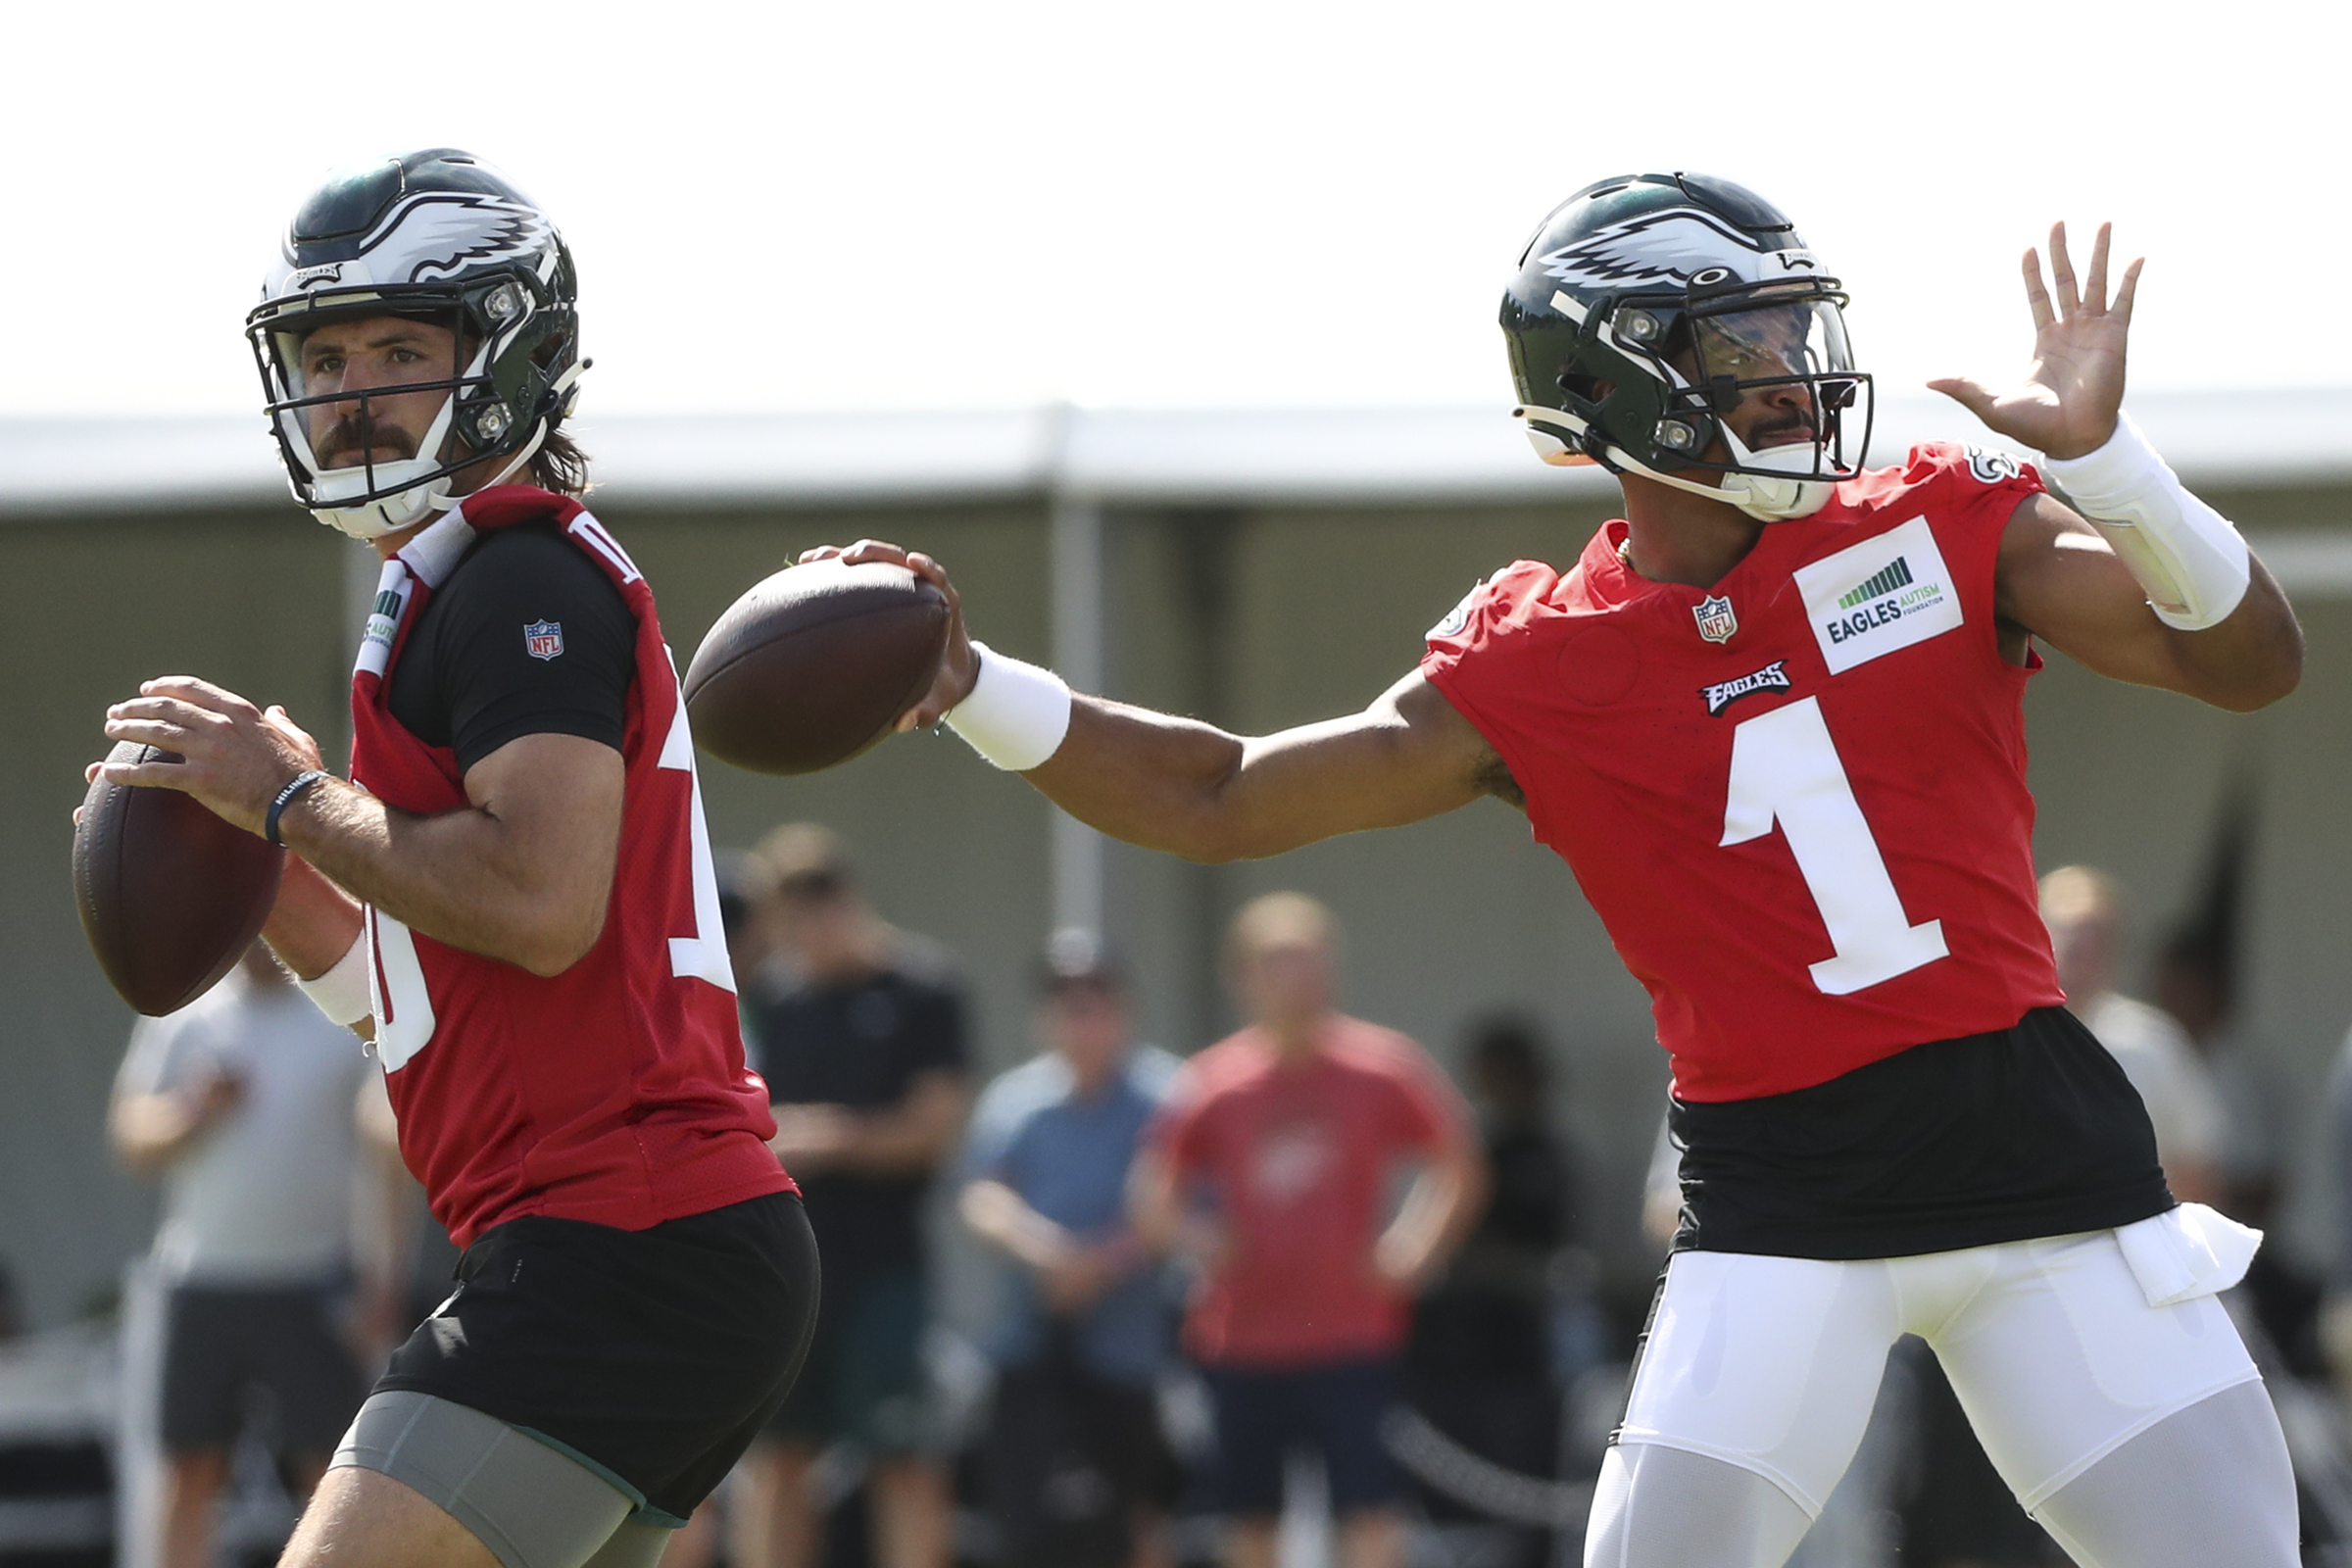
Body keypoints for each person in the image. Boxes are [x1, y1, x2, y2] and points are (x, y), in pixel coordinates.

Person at [810, 172, 2307, 1567]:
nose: (1799, 371)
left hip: (2038, 1159)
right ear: (1617, 385)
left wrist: (2112, 465)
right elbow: (1221, 793)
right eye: (1748, 343)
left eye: (1793, 330)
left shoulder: (1929, 519)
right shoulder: (1541, 660)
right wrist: (973, 679)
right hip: (1783, 1199)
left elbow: (2247, 664)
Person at [89, 149, 816, 1568]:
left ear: (512, 356)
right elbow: (410, 1000)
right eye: (327, 353)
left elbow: (537, 906)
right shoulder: (452, 584)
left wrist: (297, 796)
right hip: (623, 1247)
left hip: (621, 1243)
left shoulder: (515, 575)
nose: (353, 390)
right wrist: (260, 853)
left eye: (402, 348)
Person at [1130, 893, 1485, 1568]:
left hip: (1353, 1335)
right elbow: (1153, 1187)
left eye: (1312, 961)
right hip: (1242, 1340)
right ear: (1244, 977)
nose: (1300, 978)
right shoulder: (1214, 1082)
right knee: (1248, 1516)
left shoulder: (1382, 1067)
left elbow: (1460, 1161)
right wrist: (1200, 1241)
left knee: (1370, 1512)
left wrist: (1415, 1247)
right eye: (1280, 963)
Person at [733, 824, 969, 1568]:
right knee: (779, 1460)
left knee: (900, 1459)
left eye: (810, 918)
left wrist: (833, 1137)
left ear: (844, 902)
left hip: (886, 1269)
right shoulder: (777, 999)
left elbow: (934, 1130)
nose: (801, 940)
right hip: (787, 1268)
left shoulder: (925, 989)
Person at [109, 943, 374, 1568]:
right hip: (201, 1280)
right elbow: (130, 1139)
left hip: (314, 1281)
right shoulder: (183, 1014)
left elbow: (387, 1138)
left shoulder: (342, 1018)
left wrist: (376, 1273)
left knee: (334, 1477)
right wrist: (191, 1110)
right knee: (189, 1472)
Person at [958, 929, 1184, 1568]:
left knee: (1139, 1512)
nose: (1081, 1018)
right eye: (1065, 1002)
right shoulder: (1014, 1101)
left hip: (1130, 1352)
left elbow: (1188, 1203)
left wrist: (1103, 1263)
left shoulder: (1170, 1097)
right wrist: (1046, 1252)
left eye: (1096, 1001)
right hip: (1029, 1346)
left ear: (1125, 1010)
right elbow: (982, 1196)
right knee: (1026, 1516)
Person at [2038, 865, 2229, 1205]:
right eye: (2068, 931)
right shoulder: (2001, 1035)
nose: (2081, 946)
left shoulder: (2150, 1042)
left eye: (2096, 933)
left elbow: (2197, 1162)